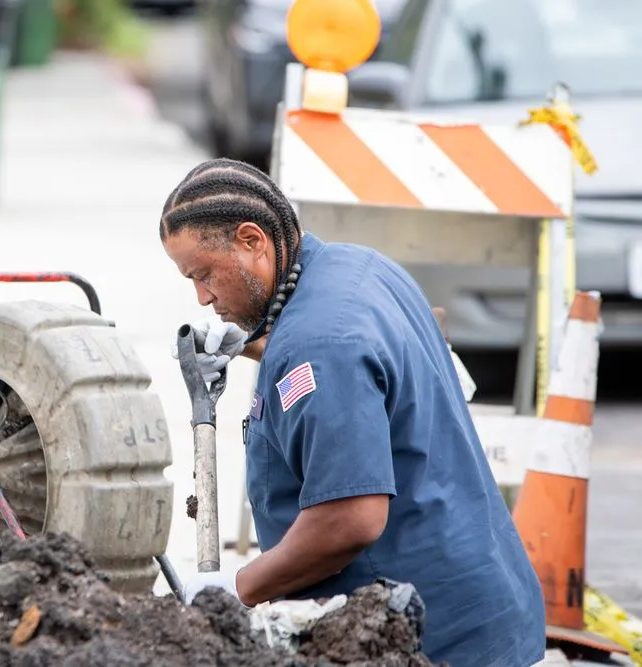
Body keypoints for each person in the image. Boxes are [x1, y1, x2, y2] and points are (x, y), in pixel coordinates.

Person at [160, 158, 546, 667]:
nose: (203, 297)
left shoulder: (320, 345)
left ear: (252, 241)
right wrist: (255, 348)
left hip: (426, 638)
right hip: (483, 603)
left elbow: (350, 519)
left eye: (205, 274)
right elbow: (354, 363)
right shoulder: (357, 268)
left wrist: (234, 586)